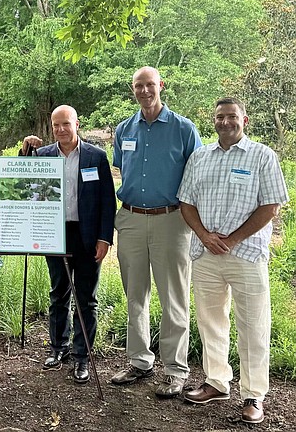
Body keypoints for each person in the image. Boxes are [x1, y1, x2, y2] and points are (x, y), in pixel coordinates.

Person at [177, 98, 288, 424]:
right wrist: (204, 235)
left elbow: (271, 206)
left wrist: (233, 239)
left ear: (245, 120)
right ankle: (216, 382)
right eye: (220, 117)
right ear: (214, 120)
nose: (225, 122)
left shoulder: (262, 156)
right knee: (211, 322)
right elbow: (186, 203)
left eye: (231, 117)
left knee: (253, 326)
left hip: (247, 255)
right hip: (206, 254)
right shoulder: (200, 157)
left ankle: (253, 394)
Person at [111, 66, 202, 398]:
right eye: (138, 86)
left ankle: (176, 369)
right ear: (133, 89)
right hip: (132, 219)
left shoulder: (183, 129)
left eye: (150, 85)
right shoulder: (124, 129)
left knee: (173, 298)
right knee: (135, 296)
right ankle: (139, 361)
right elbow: (122, 166)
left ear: (161, 86)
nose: (145, 91)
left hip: (171, 220)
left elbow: (198, 175)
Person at [21, 105, 116, 382]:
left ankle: (82, 357)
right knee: (58, 293)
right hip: (55, 234)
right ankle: (57, 348)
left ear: (77, 124)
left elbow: (107, 201)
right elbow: (25, 183)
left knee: (86, 298)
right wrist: (25, 150)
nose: (61, 130)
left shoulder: (96, 157)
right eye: (56, 125)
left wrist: (104, 237)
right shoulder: (44, 155)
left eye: (66, 124)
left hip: (87, 236)